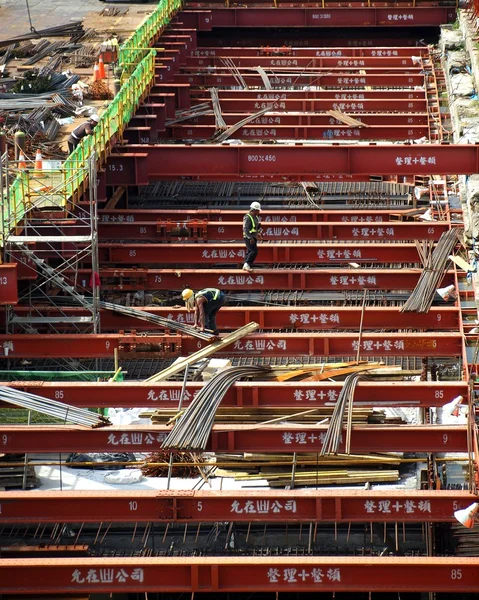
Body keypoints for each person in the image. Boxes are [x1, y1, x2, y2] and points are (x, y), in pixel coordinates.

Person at [242, 201, 263, 272]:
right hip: (249, 238)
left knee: (250, 251)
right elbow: (246, 229)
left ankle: (246, 265)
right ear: (254, 210)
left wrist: (258, 233)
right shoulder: (247, 217)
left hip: (253, 237)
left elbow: (255, 228)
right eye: (258, 210)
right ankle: (247, 264)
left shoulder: (255, 217)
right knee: (254, 251)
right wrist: (250, 238)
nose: (259, 212)